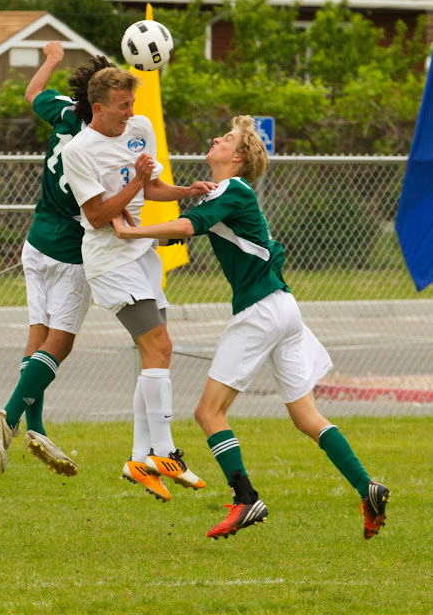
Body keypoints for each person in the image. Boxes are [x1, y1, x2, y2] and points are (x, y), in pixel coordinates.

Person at [112, 115, 390, 539]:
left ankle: (246, 499)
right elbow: (182, 232)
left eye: (226, 138)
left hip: (260, 311)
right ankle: (367, 486)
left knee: (208, 413)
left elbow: (186, 226)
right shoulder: (224, 193)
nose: (215, 138)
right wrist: (137, 230)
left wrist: (128, 233)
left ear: (238, 157)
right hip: (282, 307)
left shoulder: (233, 189)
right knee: (306, 416)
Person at [60, 67, 215, 502]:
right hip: (110, 261)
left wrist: (186, 191)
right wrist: (138, 182)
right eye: (122, 106)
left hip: (142, 256)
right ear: (98, 108)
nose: (130, 112)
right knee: (160, 346)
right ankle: (164, 452)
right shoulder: (79, 151)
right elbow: (96, 216)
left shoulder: (140, 128)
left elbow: (154, 188)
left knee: (154, 355)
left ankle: (137, 459)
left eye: (132, 104)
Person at [0, 42, 115, 476]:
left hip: (36, 240)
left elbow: (32, 93)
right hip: (69, 251)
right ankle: (9, 417)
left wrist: (52, 60)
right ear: (101, 104)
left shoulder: (65, 112)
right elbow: (101, 208)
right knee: (60, 343)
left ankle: (36, 428)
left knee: (37, 338)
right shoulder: (100, 142)